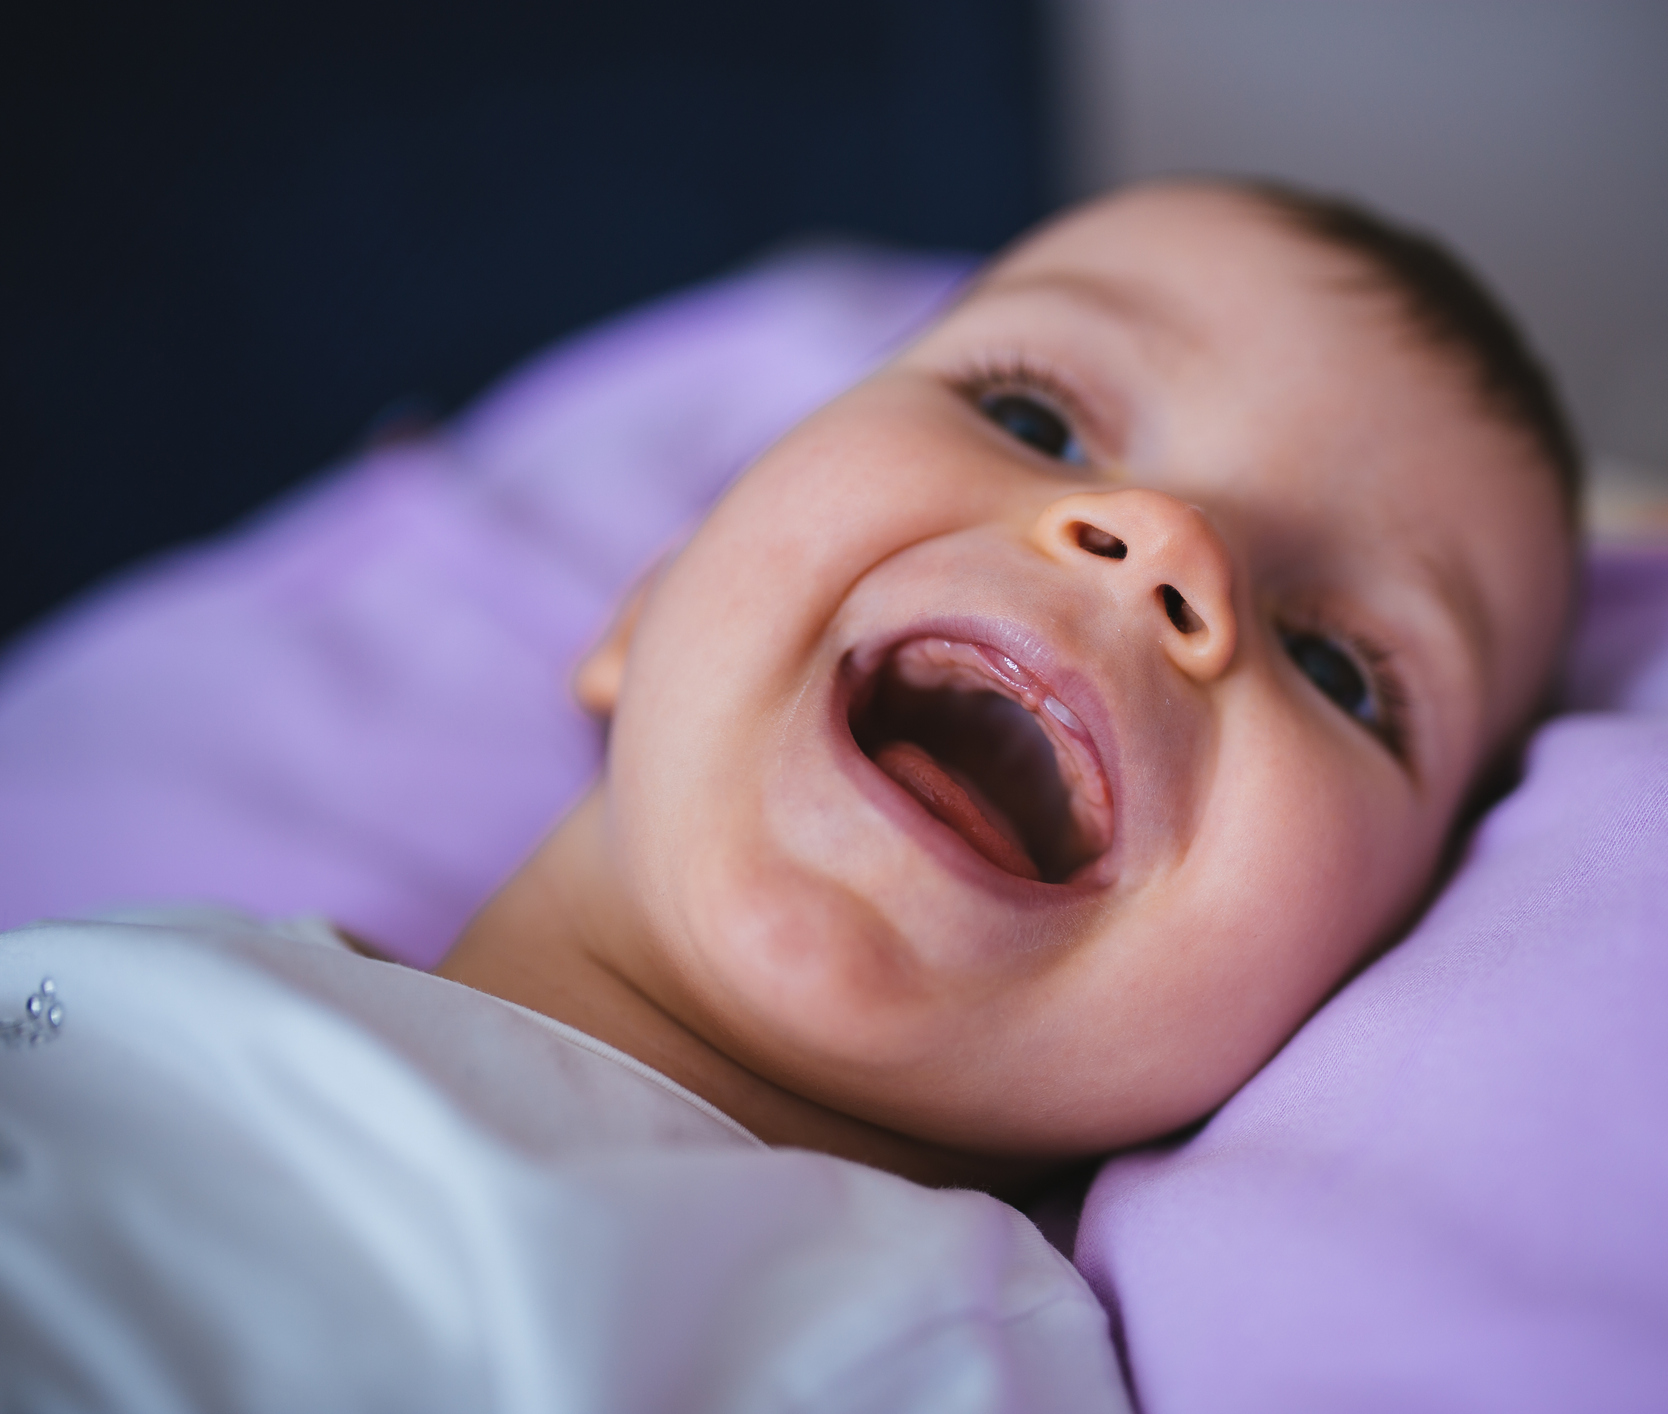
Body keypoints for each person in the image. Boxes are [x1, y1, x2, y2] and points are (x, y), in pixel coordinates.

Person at [0, 179, 1577, 1409]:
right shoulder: (124, 968)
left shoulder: (949, 1351)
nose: (1165, 537)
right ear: (646, 599)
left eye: (1338, 664)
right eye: (1029, 416)